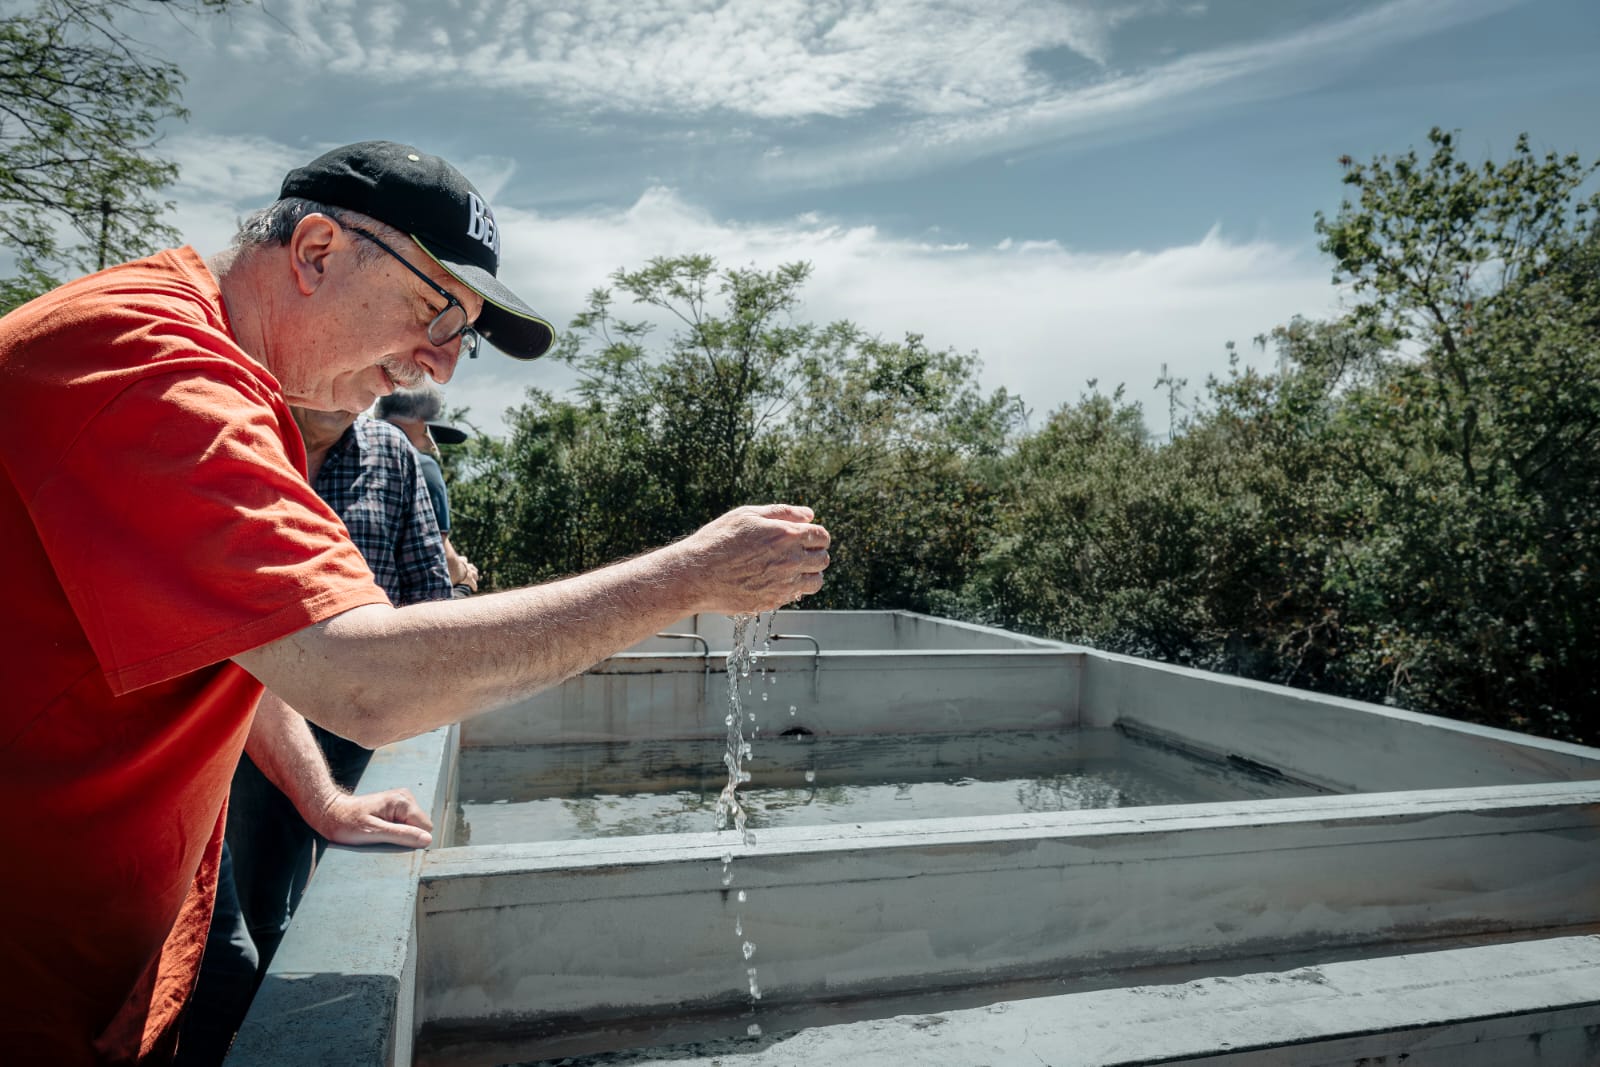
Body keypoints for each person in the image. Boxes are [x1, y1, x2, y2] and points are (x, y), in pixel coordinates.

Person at [0, 139, 829, 1065]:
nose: (442, 365)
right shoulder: (148, 367)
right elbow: (363, 679)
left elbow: (241, 637)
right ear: (317, 251)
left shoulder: (228, 378)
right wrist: (686, 577)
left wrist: (321, 799)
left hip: (105, 974)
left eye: (462, 332)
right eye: (437, 310)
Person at [174, 406, 450, 1065]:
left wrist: (421, 690)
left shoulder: (393, 455)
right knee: (254, 916)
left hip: (357, 732)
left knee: (323, 890)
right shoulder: (242, 438)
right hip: (255, 732)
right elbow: (230, 627)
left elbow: (427, 590)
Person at [375, 383, 478, 595]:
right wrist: (465, 573)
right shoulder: (421, 465)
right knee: (463, 586)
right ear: (423, 424)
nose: (427, 444)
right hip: (402, 607)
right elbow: (439, 557)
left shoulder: (345, 454)